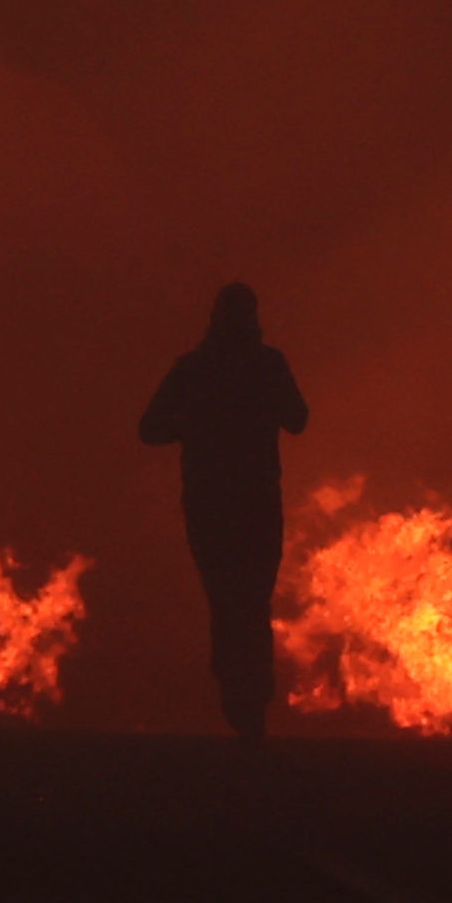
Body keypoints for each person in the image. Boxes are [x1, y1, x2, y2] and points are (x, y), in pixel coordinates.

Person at [141, 282, 308, 738]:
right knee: (251, 603)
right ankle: (250, 709)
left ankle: (242, 708)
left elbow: (152, 427)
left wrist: (194, 424)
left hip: (212, 503)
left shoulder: (195, 369)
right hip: (252, 503)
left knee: (229, 605)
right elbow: (298, 419)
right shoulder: (267, 365)